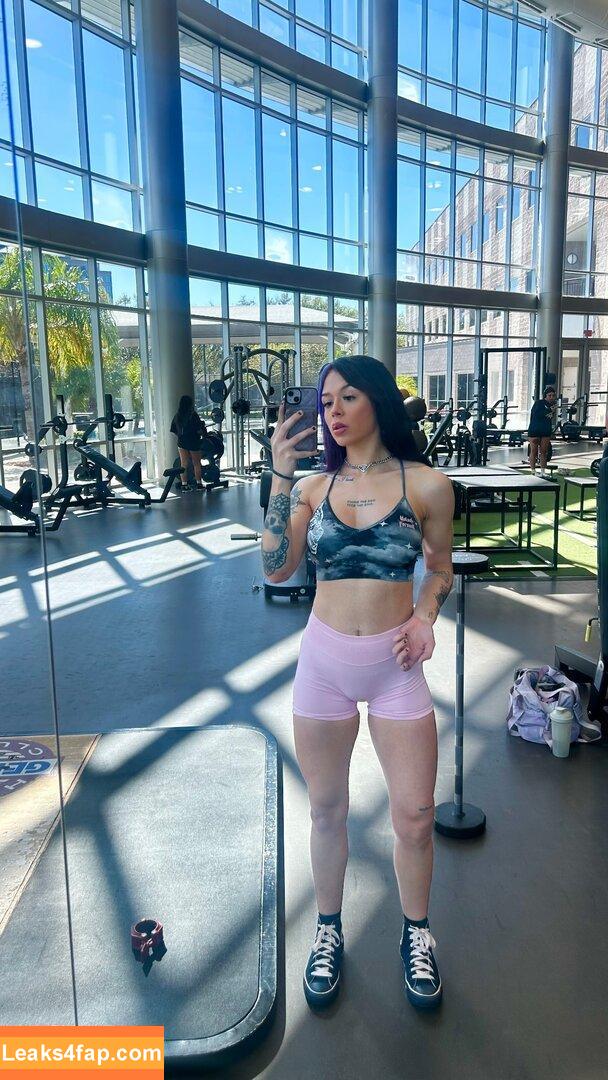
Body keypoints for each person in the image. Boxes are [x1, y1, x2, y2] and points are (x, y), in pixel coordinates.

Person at [261, 356, 454, 1011]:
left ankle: (417, 932)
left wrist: (424, 618)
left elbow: (440, 569)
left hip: (396, 667)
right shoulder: (312, 488)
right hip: (325, 665)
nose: (333, 411)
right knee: (326, 811)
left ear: (377, 400)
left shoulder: (427, 484)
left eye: (347, 397)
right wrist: (280, 476)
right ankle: (327, 929)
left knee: (417, 816)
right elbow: (277, 568)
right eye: (326, 401)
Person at [170, 395, 207, 490]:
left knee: (183, 464)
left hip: (182, 443)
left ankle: (184, 484)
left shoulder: (177, 416)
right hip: (193, 442)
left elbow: (173, 430)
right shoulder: (193, 415)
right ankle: (199, 484)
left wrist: (181, 436)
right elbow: (199, 429)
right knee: (196, 463)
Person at [528, 386, 556, 477]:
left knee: (544, 451)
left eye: (553, 395)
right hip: (535, 430)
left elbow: (549, 418)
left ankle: (543, 472)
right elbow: (537, 415)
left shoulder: (552, 406)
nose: (551, 397)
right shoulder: (539, 403)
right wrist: (549, 410)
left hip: (545, 431)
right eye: (549, 395)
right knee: (534, 451)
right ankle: (533, 471)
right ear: (545, 396)